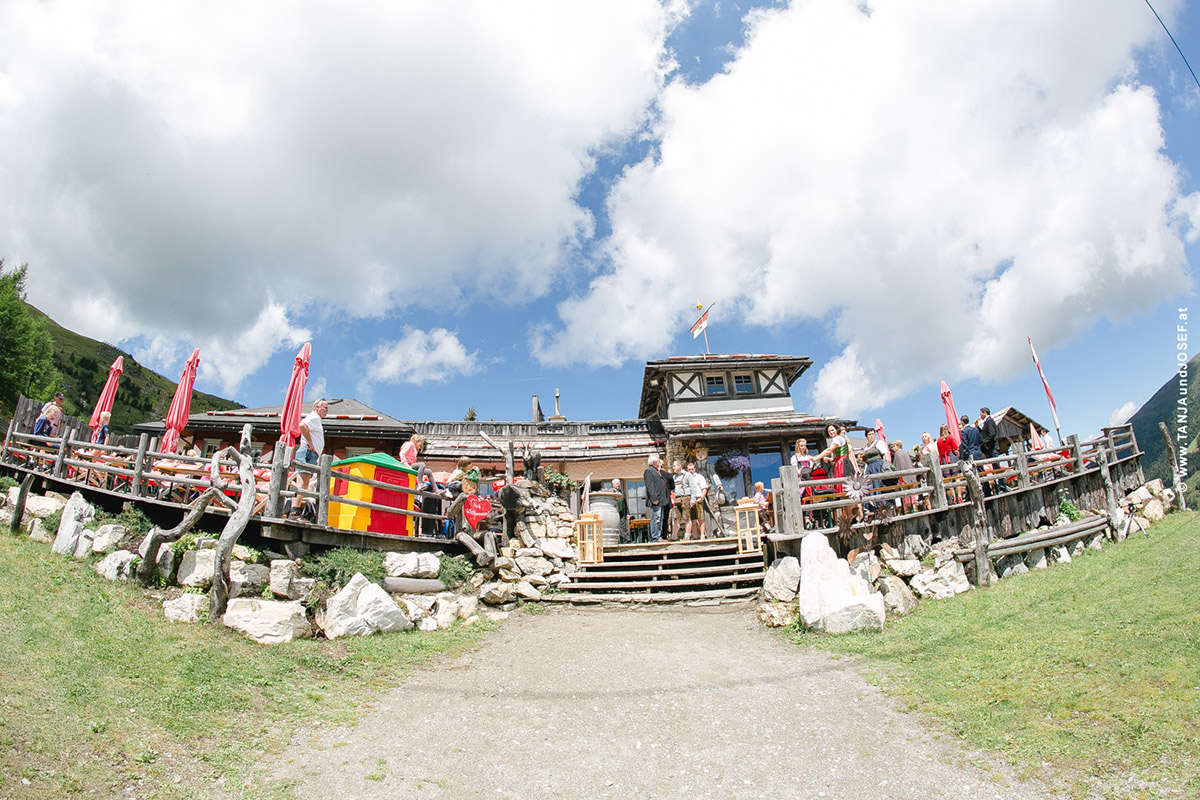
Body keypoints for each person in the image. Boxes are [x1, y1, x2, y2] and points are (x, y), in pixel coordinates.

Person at [294, 398, 328, 493]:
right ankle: (296, 503)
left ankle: (295, 503)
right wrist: (310, 442)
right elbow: (302, 425)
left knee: (303, 484)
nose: (327, 410)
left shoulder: (316, 418)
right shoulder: (314, 417)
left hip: (310, 453)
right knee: (303, 484)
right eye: (325, 408)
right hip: (308, 452)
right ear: (317, 407)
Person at [643, 454, 668, 543]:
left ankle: (658, 536)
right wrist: (654, 499)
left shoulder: (656, 471)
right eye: (658, 461)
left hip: (660, 500)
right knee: (656, 518)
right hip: (656, 500)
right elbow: (650, 486)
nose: (659, 462)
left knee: (659, 518)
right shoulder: (649, 471)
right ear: (654, 462)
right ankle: (655, 537)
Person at [685, 461, 708, 539]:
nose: (690, 471)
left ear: (695, 469)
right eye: (689, 469)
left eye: (692, 469)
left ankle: (702, 535)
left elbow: (704, 488)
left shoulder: (699, 477)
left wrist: (702, 497)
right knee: (693, 519)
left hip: (698, 498)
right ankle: (695, 535)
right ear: (687, 470)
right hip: (690, 499)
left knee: (701, 518)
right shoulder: (686, 478)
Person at [670, 460, 691, 539]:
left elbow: (693, 488)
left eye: (674, 466)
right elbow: (672, 490)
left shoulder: (687, 475)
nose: (673, 468)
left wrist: (692, 500)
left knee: (686, 517)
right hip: (677, 498)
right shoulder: (674, 477)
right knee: (676, 518)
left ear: (679, 466)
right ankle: (674, 536)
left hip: (686, 497)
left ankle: (687, 536)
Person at [612, 478, 629, 544]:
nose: (618, 485)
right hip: (614, 512)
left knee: (623, 527)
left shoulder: (622, 492)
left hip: (622, 512)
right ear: (613, 485)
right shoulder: (611, 492)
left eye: (619, 483)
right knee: (615, 527)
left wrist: (628, 513)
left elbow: (625, 503)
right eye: (617, 483)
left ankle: (626, 540)